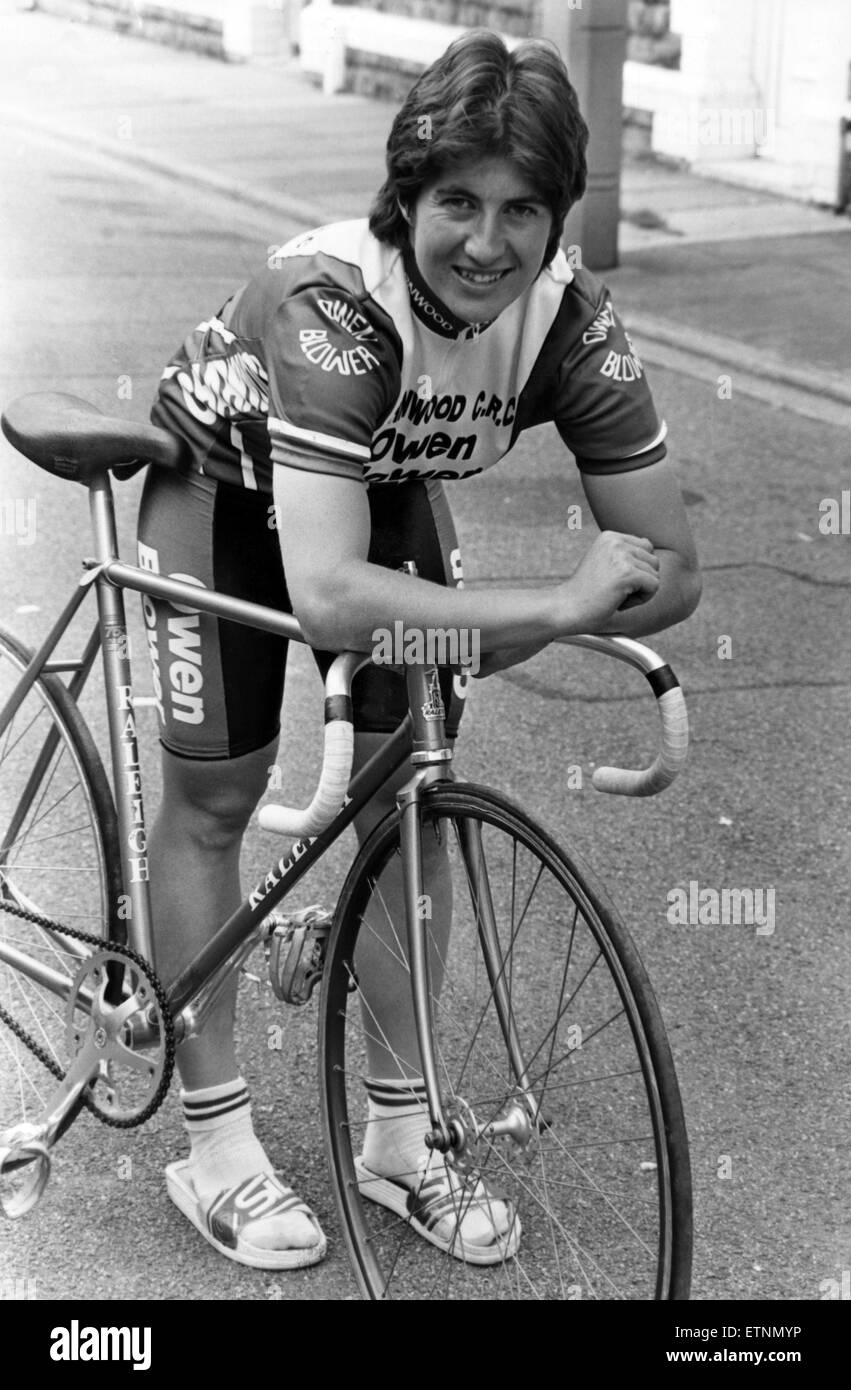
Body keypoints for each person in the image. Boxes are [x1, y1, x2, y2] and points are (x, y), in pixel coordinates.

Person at [138, 28, 701, 1271]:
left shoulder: (570, 323)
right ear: (404, 201)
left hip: (375, 489)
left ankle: (400, 1135)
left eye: (522, 209)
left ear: (558, 219)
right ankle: (216, 1142)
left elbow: (669, 572)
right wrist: (551, 607)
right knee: (220, 794)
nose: (487, 243)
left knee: (410, 793)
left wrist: (508, 625)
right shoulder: (332, 300)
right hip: (221, 497)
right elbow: (336, 601)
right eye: (456, 201)